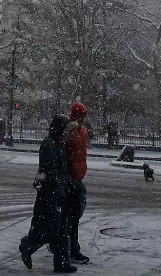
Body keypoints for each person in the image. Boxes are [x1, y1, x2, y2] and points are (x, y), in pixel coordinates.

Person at [19, 115, 77, 273]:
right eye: (65, 129)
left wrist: (69, 185)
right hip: (49, 194)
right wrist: (59, 190)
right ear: (58, 128)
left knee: (62, 229)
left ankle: (62, 263)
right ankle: (28, 246)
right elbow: (50, 171)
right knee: (50, 228)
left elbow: (62, 170)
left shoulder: (59, 144)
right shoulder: (48, 144)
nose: (67, 133)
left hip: (60, 192)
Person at [63, 102, 90, 265]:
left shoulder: (82, 132)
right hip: (70, 179)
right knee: (72, 217)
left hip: (77, 177)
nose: (83, 120)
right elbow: (64, 151)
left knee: (75, 215)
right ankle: (72, 248)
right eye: (81, 117)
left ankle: (70, 247)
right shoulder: (70, 131)